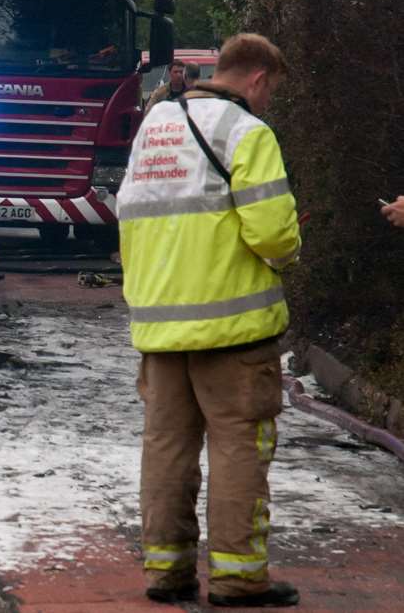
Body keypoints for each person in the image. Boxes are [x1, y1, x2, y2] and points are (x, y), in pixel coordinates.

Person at [117, 33, 301, 608]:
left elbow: (130, 211)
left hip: (160, 325)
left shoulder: (155, 126)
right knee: (239, 448)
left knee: (167, 447)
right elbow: (272, 234)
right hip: (233, 330)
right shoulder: (249, 132)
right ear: (258, 79)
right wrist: (286, 254)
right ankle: (238, 577)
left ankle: (166, 573)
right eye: (270, 92)